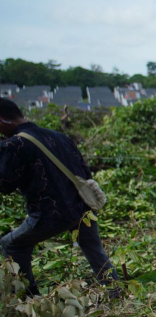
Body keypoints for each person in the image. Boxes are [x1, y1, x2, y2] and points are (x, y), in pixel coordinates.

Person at [0, 98, 119, 296]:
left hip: (49, 213)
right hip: (82, 206)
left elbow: (5, 184)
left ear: (3, 121)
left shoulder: (15, 144)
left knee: (12, 244)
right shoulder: (59, 136)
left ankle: (29, 299)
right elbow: (84, 171)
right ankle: (117, 293)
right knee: (94, 250)